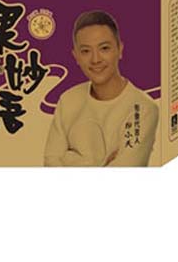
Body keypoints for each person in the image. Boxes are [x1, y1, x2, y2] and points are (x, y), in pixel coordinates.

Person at [44, 10, 159, 166]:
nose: (95, 59)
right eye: (85, 51)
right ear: (76, 56)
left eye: (104, 48)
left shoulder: (144, 108)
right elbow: (50, 162)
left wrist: (70, 159)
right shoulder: (68, 100)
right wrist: (101, 163)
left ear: (120, 49)